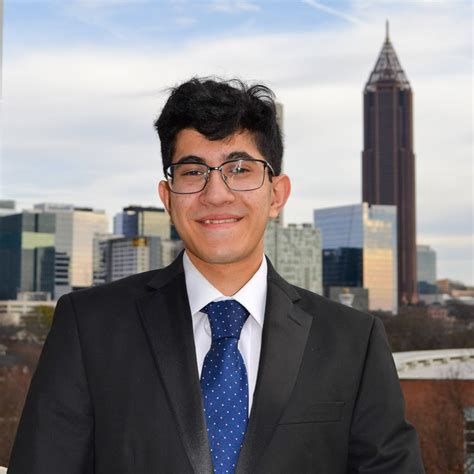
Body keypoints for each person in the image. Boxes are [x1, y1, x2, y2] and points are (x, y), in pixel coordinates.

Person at [8, 78, 424, 473]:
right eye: (193, 172)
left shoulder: (353, 341)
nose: (216, 194)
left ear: (276, 194)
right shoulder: (89, 326)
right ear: (168, 198)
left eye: (239, 169)